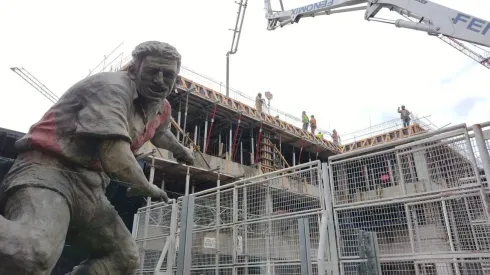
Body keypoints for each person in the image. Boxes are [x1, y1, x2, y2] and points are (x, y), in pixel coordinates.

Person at [0, 41, 195, 275]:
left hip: (90, 186)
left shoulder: (161, 108)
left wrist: (180, 150)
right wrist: (145, 186)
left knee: (124, 259)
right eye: (153, 72)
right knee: (32, 252)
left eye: (169, 75)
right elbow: (114, 154)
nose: (160, 81)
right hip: (48, 170)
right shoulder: (112, 88)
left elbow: (161, 132)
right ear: (135, 69)